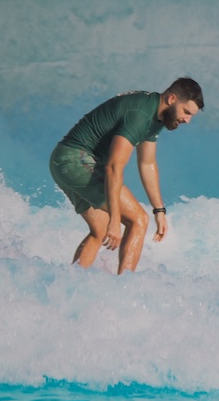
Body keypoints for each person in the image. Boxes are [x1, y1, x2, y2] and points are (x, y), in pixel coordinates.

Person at [48, 78, 204, 274]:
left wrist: (159, 210)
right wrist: (115, 218)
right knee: (138, 220)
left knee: (100, 231)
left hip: (63, 160)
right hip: (74, 161)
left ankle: (70, 285)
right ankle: (125, 288)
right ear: (172, 99)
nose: (187, 120)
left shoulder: (155, 115)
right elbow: (113, 167)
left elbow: (147, 164)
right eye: (186, 112)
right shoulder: (140, 114)